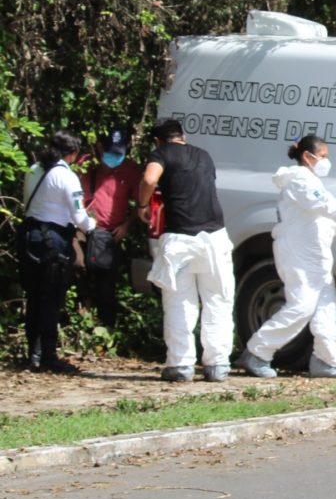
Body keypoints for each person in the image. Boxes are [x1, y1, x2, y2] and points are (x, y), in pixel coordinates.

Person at [238, 134, 336, 379]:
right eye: (322, 157)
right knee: (301, 307)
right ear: (307, 156)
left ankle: (326, 360)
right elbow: (324, 206)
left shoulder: (310, 181)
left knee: (327, 308)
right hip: (299, 255)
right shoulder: (299, 180)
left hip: (314, 256)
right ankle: (257, 352)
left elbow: (314, 217)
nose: (325, 161)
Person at [137, 119, 235, 383]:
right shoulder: (204, 155)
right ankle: (217, 365)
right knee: (218, 300)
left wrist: (142, 204)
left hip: (180, 237)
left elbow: (149, 178)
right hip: (214, 237)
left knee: (180, 302)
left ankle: (181, 365)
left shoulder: (161, 154)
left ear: (157, 141)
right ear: (183, 136)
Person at [20, 130, 97, 373]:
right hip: (53, 241)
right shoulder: (66, 176)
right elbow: (79, 217)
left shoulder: (33, 170)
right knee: (51, 298)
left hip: (29, 237)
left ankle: (34, 353)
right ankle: (49, 356)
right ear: (72, 153)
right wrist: (92, 225)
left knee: (33, 297)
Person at [79, 127, 141, 327]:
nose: (114, 158)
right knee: (80, 276)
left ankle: (106, 327)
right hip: (83, 231)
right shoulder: (86, 165)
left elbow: (141, 204)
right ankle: (81, 321)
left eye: (118, 154)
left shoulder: (130, 170)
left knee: (106, 287)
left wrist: (126, 226)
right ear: (99, 147)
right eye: (110, 153)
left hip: (109, 236)